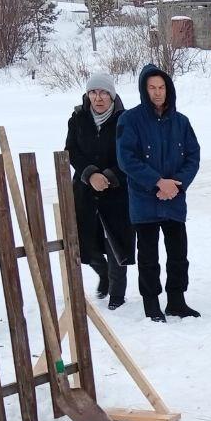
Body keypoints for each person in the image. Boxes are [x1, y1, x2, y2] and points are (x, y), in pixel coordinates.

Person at [116, 63, 201, 323]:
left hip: (174, 198)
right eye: (152, 87)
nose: (157, 92)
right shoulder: (130, 120)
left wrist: (176, 185)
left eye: (161, 87)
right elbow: (126, 159)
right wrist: (157, 182)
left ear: (168, 89)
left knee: (178, 254)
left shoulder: (181, 122)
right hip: (144, 200)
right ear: (144, 90)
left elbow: (193, 157)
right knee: (148, 256)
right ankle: (151, 304)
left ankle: (177, 300)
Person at [65, 72, 135, 310]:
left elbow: (129, 153)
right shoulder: (78, 118)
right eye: (93, 92)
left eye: (104, 92)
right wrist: (90, 174)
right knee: (86, 239)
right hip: (85, 189)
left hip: (116, 191)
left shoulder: (125, 120)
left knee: (115, 242)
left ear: (112, 95)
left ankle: (117, 294)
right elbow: (72, 150)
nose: (98, 97)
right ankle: (102, 272)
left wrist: (109, 177)